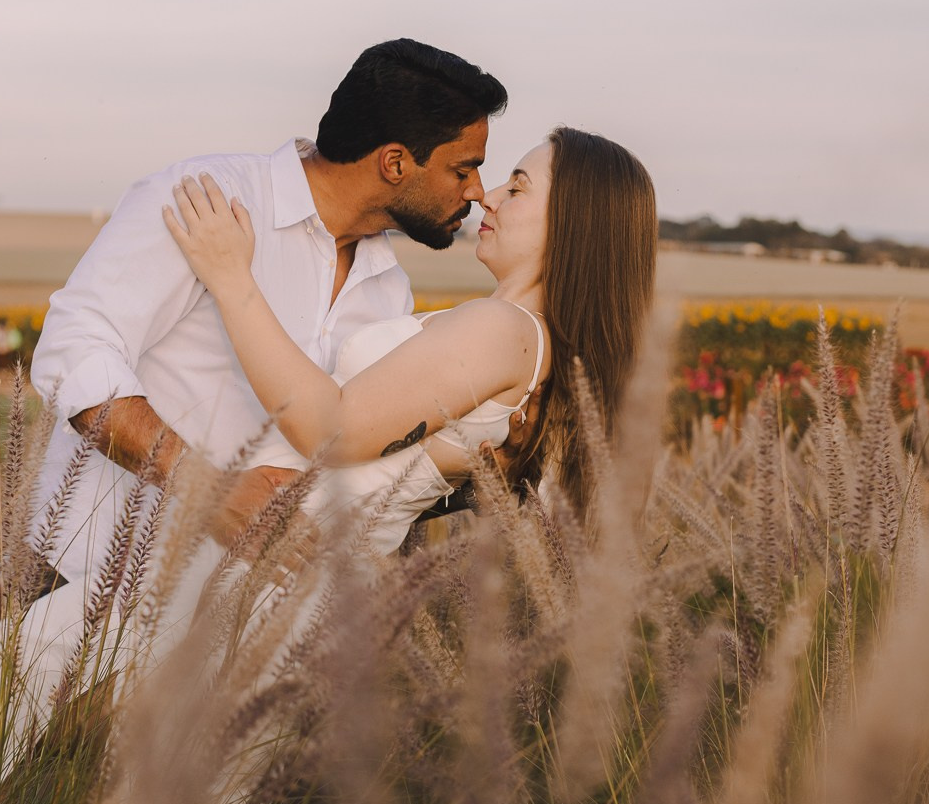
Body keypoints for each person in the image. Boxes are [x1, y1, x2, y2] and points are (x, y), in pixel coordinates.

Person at [0, 38, 508, 779]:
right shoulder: (204, 198)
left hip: (236, 626)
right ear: (396, 161)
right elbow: (75, 350)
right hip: (86, 579)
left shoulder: (386, 289)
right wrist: (205, 485)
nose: (477, 193)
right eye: (464, 168)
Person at [163, 126, 658, 540]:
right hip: (296, 561)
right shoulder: (521, 340)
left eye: (518, 187)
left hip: (291, 570)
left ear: (573, 220)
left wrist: (231, 279)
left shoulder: (503, 330)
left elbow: (330, 432)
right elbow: (393, 478)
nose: (487, 196)